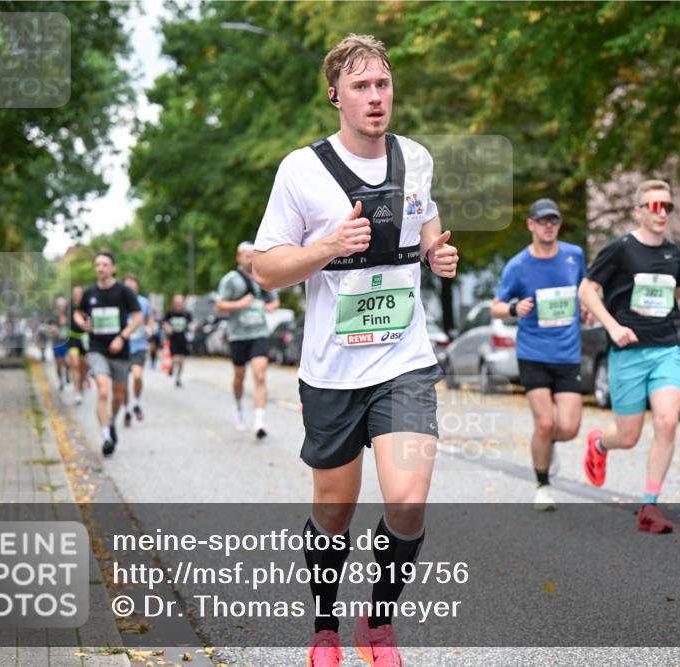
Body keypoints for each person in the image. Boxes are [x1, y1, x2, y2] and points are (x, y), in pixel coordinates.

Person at [252, 33, 458, 667]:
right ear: (335, 96)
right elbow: (266, 268)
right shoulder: (301, 170)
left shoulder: (415, 157)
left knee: (408, 500)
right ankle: (324, 627)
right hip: (332, 373)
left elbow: (424, 216)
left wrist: (435, 251)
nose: (375, 97)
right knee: (334, 510)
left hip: (404, 362)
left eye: (383, 84)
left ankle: (379, 623)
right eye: (361, 86)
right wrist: (328, 248)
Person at [581, 179, 680, 533]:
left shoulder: (674, 253)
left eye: (668, 206)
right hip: (628, 352)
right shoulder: (619, 250)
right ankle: (600, 443)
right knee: (628, 436)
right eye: (654, 206)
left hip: (667, 348)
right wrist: (612, 326)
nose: (662, 212)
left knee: (667, 422)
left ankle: (649, 505)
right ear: (638, 212)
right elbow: (587, 291)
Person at [492, 197, 589, 511]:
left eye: (554, 220)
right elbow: (495, 307)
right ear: (531, 224)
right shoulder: (518, 265)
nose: (549, 226)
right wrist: (513, 308)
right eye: (543, 220)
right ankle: (542, 485)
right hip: (533, 353)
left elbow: (585, 291)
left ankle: (547, 447)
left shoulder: (574, 256)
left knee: (569, 428)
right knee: (545, 423)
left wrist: (587, 309)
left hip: (568, 353)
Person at [74, 253, 141, 456]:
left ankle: (111, 421)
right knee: (103, 390)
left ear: (113, 268)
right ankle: (105, 437)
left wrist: (122, 337)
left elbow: (138, 317)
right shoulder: (90, 293)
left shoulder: (124, 292)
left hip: (120, 350)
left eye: (105, 264)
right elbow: (78, 312)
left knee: (118, 396)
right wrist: (82, 323)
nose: (100, 268)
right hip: (97, 348)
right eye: (97, 265)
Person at [215, 242, 280, 438]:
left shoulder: (263, 276)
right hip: (238, 335)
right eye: (247, 256)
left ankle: (259, 421)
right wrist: (239, 304)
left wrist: (271, 306)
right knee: (239, 376)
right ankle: (237, 406)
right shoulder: (230, 280)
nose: (251, 259)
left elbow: (275, 299)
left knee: (260, 374)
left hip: (259, 332)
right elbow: (218, 307)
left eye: (254, 255)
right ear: (239, 258)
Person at [122, 274, 152, 427]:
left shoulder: (144, 302)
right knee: (123, 382)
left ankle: (136, 403)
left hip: (139, 346)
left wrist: (149, 327)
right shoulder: (119, 301)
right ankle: (127, 410)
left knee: (137, 375)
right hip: (123, 347)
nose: (131, 287)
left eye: (134, 284)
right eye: (128, 285)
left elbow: (149, 318)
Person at [67, 285, 90, 405]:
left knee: (84, 365)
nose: (78, 295)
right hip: (72, 338)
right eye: (75, 293)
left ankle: (83, 380)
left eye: (80, 293)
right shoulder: (69, 307)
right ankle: (77, 392)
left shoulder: (87, 306)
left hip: (85, 339)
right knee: (75, 364)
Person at [161, 295, 191, 388]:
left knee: (182, 361)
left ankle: (178, 378)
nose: (178, 304)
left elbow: (191, 322)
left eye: (180, 302)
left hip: (183, 338)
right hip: (173, 338)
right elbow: (163, 323)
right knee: (175, 358)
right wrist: (167, 328)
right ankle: (172, 366)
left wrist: (192, 327)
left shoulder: (186, 313)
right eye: (177, 302)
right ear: (174, 303)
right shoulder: (170, 313)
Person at [47, 296, 72, 391]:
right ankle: (61, 381)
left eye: (63, 305)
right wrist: (53, 329)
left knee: (67, 361)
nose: (61, 307)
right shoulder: (53, 316)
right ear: (56, 305)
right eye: (59, 305)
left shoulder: (69, 315)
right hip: (57, 343)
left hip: (67, 342)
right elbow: (48, 330)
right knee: (58, 364)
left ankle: (67, 372)